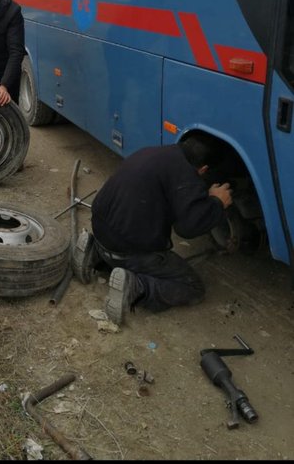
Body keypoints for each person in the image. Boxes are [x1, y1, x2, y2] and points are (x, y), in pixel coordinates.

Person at [76, 134, 233, 324]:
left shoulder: (156, 152)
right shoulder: (187, 174)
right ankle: (136, 287)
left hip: (101, 229)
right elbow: (188, 227)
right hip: (127, 249)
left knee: (117, 246)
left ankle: (94, 254)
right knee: (193, 287)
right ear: (204, 169)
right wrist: (216, 202)